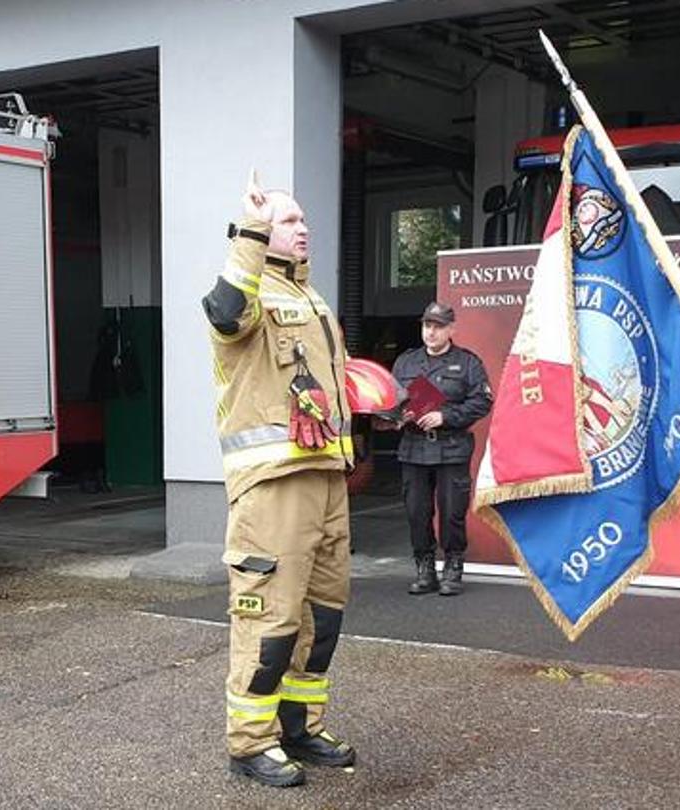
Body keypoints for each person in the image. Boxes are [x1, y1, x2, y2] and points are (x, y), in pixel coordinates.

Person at [203, 172, 357, 788]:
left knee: (320, 621)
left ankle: (300, 726)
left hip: (326, 480)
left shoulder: (313, 299)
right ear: (261, 234)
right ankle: (249, 744)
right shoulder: (249, 292)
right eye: (290, 222)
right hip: (272, 486)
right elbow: (225, 313)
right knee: (267, 620)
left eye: (301, 221)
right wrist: (249, 229)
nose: (304, 229)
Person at [391, 302, 491, 596]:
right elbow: (391, 400)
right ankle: (424, 568)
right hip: (414, 447)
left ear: (451, 329)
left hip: (451, 448)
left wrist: (445, 416)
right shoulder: (406, 363)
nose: (431, 332)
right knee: (416, 512)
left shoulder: (468, 362)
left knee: (451, 513)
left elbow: (482, 401)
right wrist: (399, 417)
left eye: (437, 327)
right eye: (427, 326)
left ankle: (452, 565)